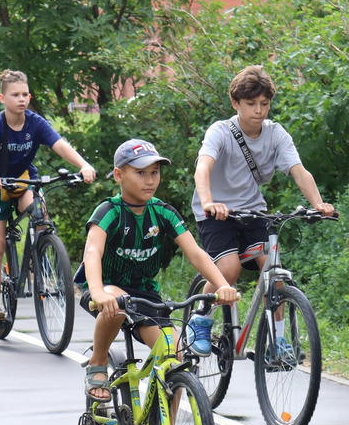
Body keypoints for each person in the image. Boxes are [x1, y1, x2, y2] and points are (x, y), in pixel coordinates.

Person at [79, 138, 239, 403]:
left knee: (175, 356)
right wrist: (97, 291)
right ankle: (97, 362)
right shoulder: (109, 211)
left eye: (155, 172)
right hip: (105, 290)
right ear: (119, 175)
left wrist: (222, 285)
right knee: (117, 302)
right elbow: (93, 251)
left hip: (145, 295)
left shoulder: (163, 213)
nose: (150, 180)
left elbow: (196, 254)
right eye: (140, 173)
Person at [189, 65, 334, 355]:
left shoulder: (276, 135)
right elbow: (202, 168)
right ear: (236, 103)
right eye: (251, 104)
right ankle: (201, 318)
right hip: (217, 212)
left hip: (253, 211)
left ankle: (278, 342)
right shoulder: (221, 131)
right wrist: (208, 202)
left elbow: (299, 171)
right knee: (228, 269)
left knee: (275, 272)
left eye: (264, 104)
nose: (259, 110)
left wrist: (318, 204)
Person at [0, 69, 95, 338]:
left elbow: (59, 144)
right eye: (15, 95)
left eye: (25, 94)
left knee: (41, 217)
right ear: (2, 97)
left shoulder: (35, 123)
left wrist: (83, 165)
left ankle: (41, 258)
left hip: (22, 182)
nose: (21, 99)